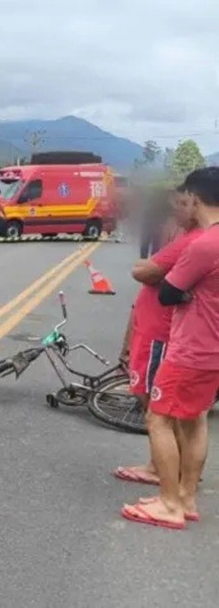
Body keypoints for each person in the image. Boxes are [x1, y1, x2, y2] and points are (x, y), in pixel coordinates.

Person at [122, 167, 219, 529]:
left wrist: (184, 290)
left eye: (185, 199)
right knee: (194, 420)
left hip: (190, 347)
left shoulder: (204, 243)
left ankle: (169, 503)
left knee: (158, 418)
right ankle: (187, 498)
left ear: (194, 198)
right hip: (212, 349)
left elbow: (167, 291)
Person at [113, 185, 200, 487]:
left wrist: (151, 269)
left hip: (161, 333)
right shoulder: (184, 236)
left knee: (158, 410)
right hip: (154, 328)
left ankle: (167, 478)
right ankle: (171, 473)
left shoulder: (194, 241)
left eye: (183, 203)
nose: (175, 209)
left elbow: (143, 271)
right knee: (163, 409)